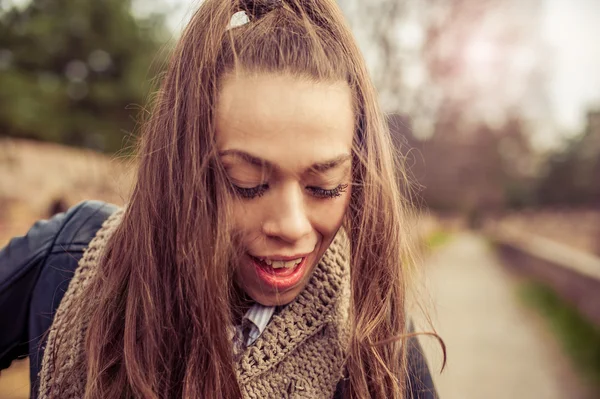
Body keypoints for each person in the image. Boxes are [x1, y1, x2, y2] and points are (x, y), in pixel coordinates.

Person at [0, 0, 441, 398]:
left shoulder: (378, 340)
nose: (290, 225)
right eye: (245, 181)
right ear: (181, 169)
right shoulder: (68, 257)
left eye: (325, 186)